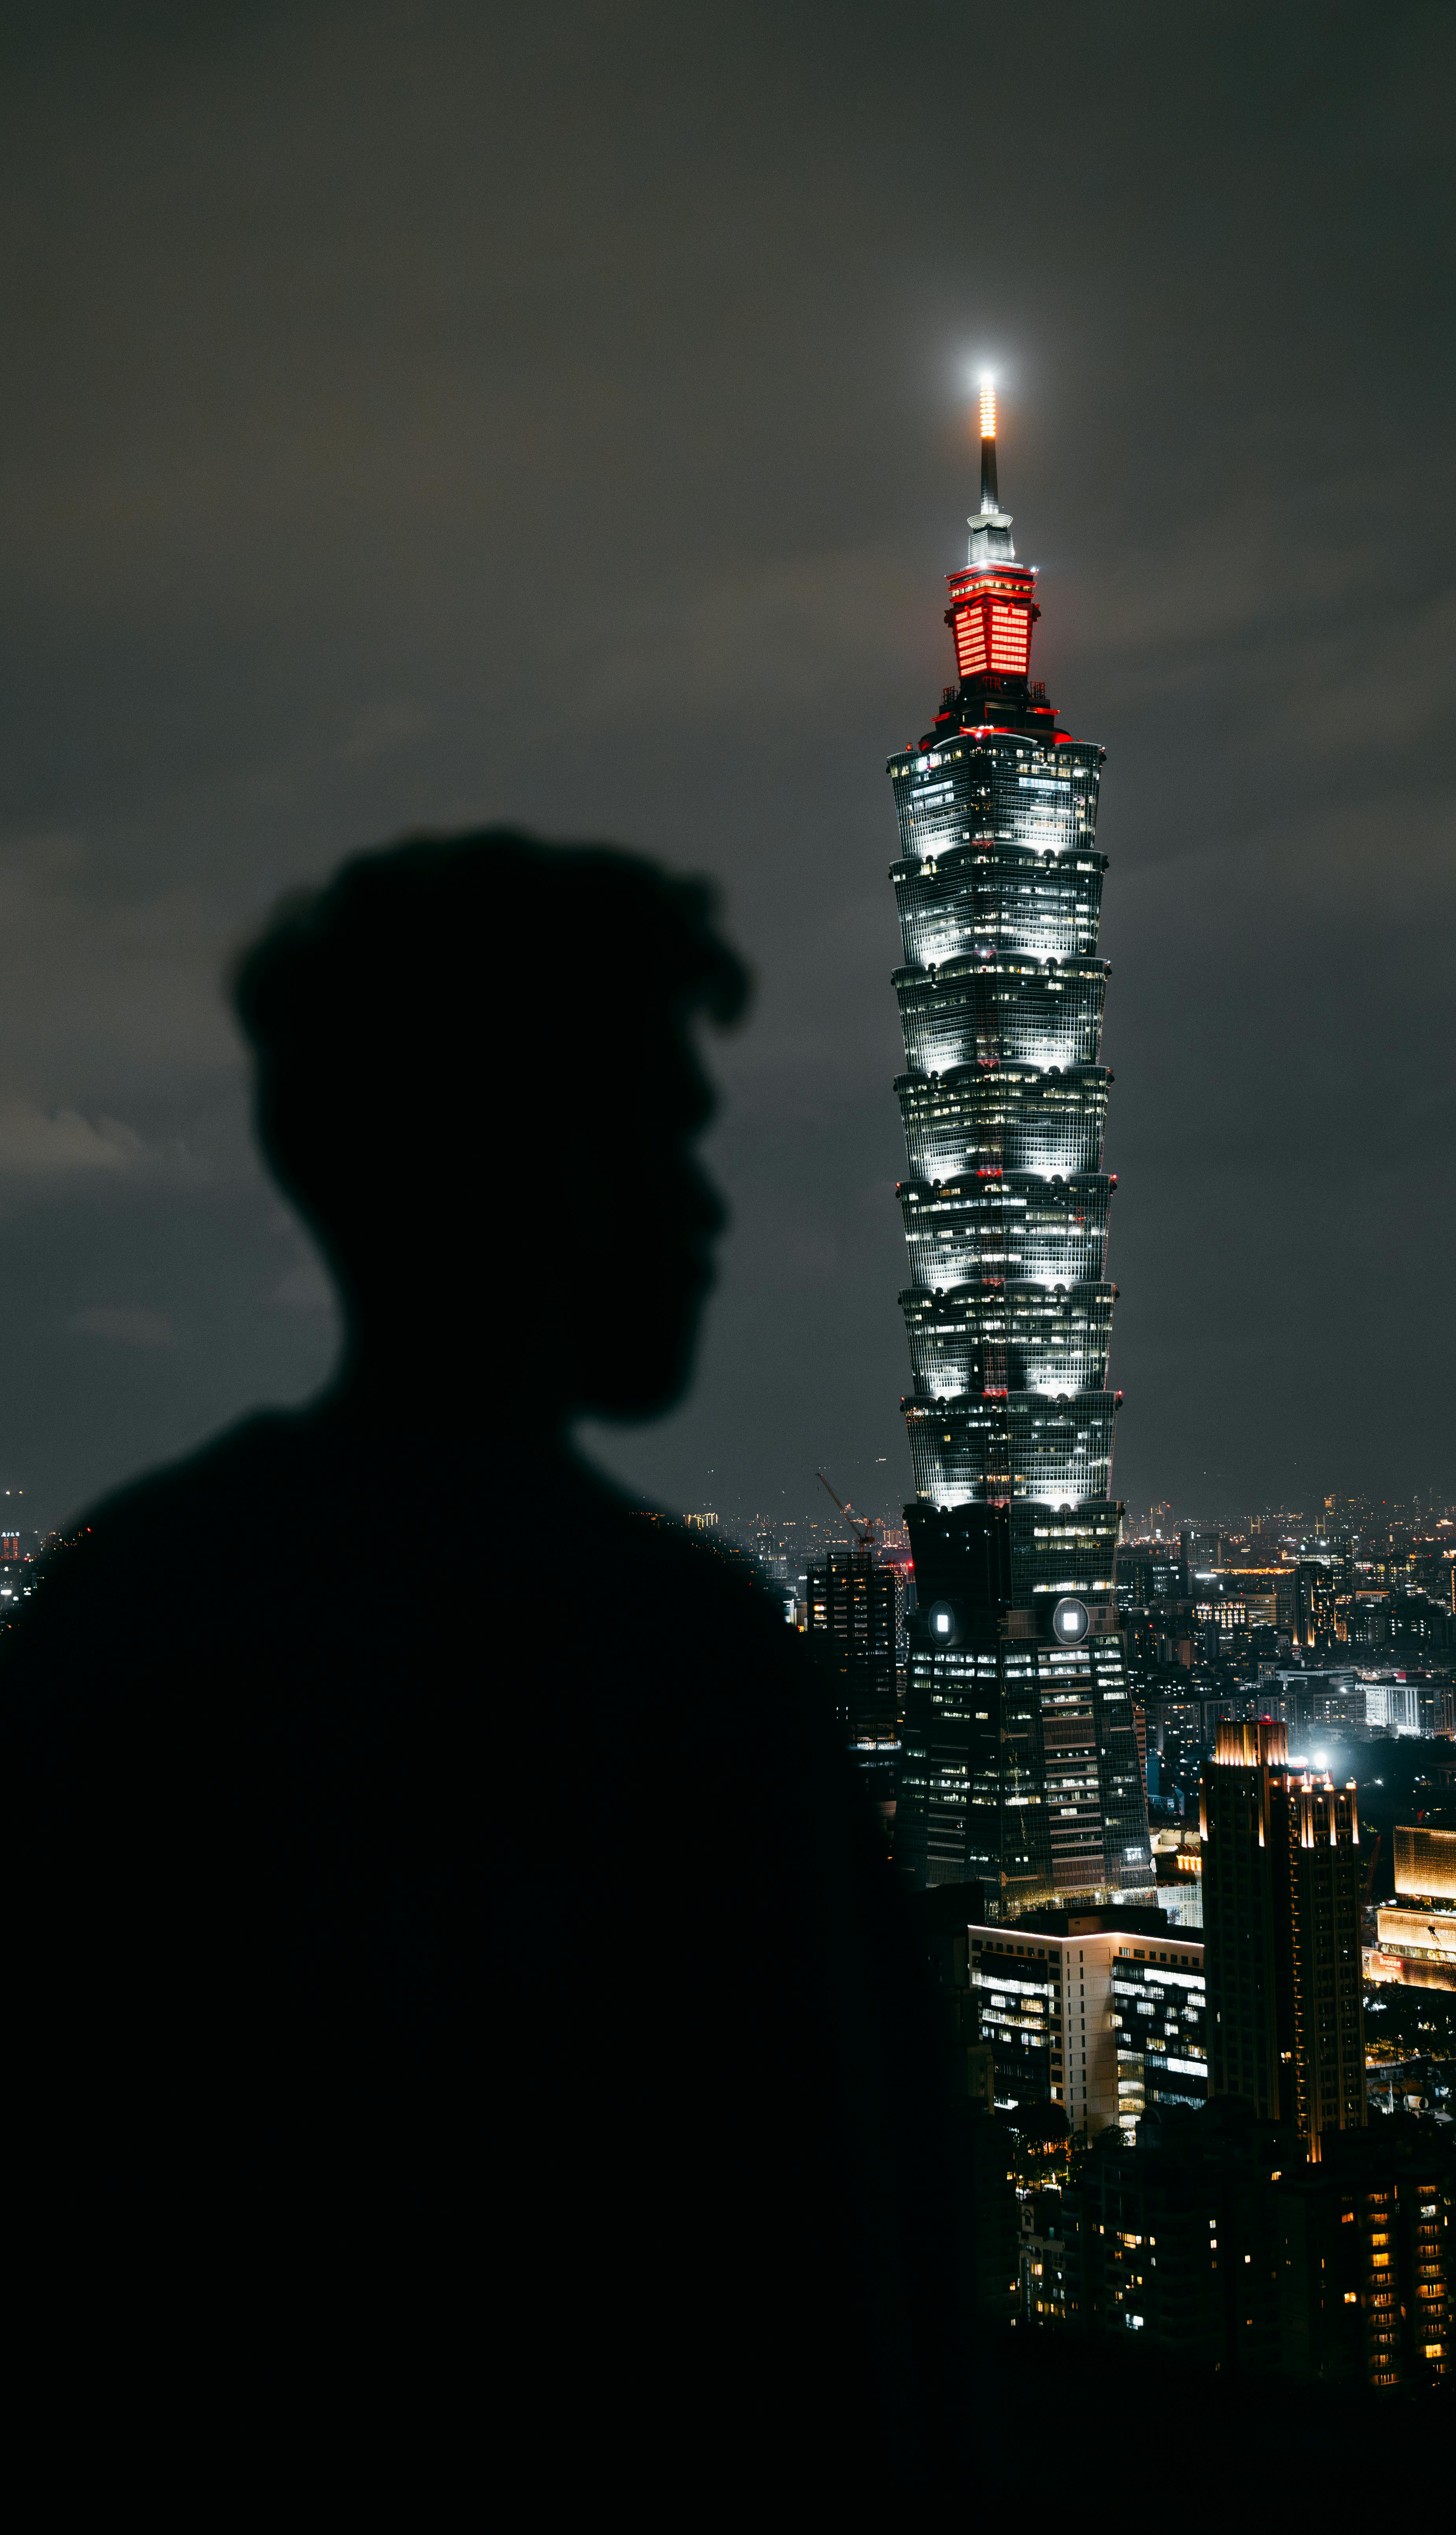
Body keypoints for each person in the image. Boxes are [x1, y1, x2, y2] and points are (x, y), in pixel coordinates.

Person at [4, 831, 955, 2493]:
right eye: (667, 1138)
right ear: (548, 1171)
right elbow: (839, 2285)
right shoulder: (674, 1666)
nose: (707, 1212)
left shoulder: (123, 1613)